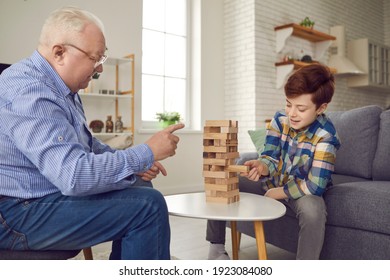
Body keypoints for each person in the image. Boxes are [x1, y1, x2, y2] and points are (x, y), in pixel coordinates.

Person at [0, 7, 184, 260]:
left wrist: (134, 163)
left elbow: (89, 146)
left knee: (142, 183)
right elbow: (73, 175)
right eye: (94, 58)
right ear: (59, 52)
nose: (99, 69)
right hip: (15, 213)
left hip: (42, 195)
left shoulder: (63, 89)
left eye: (102, 59)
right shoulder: (30, 91)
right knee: (147, 207)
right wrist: (147, 151)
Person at [206, 64, 340, 260]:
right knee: (225, 179)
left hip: (302, 190)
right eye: (288, 104)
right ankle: (216, 249)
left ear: (321, 108)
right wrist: (261, 166)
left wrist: (280, 192)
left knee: (313, 211)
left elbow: (315, 185)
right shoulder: (280, 120)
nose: (292, 113)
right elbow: (269, 156)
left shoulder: (327, 136)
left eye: (301, 108)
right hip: (273, 180)